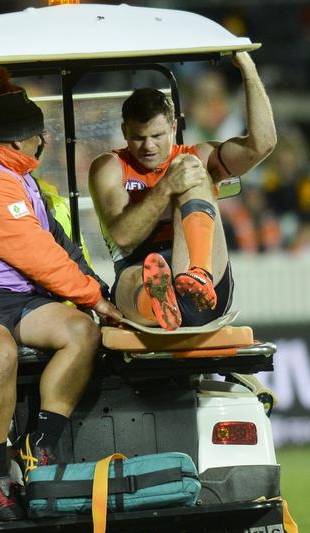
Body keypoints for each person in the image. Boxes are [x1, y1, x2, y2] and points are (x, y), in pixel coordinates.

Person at [0, 66, 121, 522]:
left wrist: (101, 296)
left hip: (15, 296)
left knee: (82, 333)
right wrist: (94, 298)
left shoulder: (19, 177)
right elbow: (39, 257)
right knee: (0, 352)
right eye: (38, 134)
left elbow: (62, 248)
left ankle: (40, 446)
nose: (43, 140)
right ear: (16, 142)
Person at [88, 51, 276, 330]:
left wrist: (247, 70)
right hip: (139, 273)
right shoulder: (109, 167)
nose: (148, 146)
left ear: (174, 127)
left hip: (206, 280)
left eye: (157, 136)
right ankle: (159, 303)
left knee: (190, 168)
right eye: (139, 138)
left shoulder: (198, 155)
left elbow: (263, 145)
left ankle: (197, 273)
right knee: (133, 279)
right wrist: (165, 187)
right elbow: (124, 238)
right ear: (125, 131)